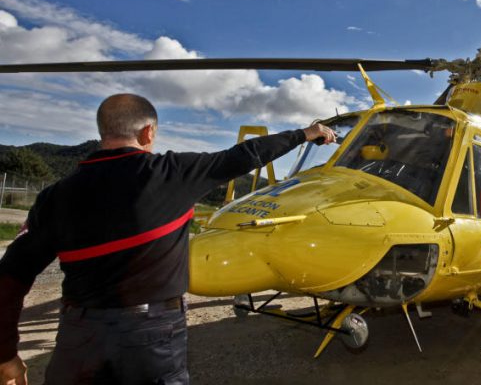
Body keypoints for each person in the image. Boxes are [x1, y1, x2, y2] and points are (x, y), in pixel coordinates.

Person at [0, 93, 336, 385]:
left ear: (104, 132)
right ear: (148, 132)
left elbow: (10, 279)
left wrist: (5, 355)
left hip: (80, 334)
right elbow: (248, 154)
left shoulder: (55, 196)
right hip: (152, 336)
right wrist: (307, 133)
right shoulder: (173, 173)